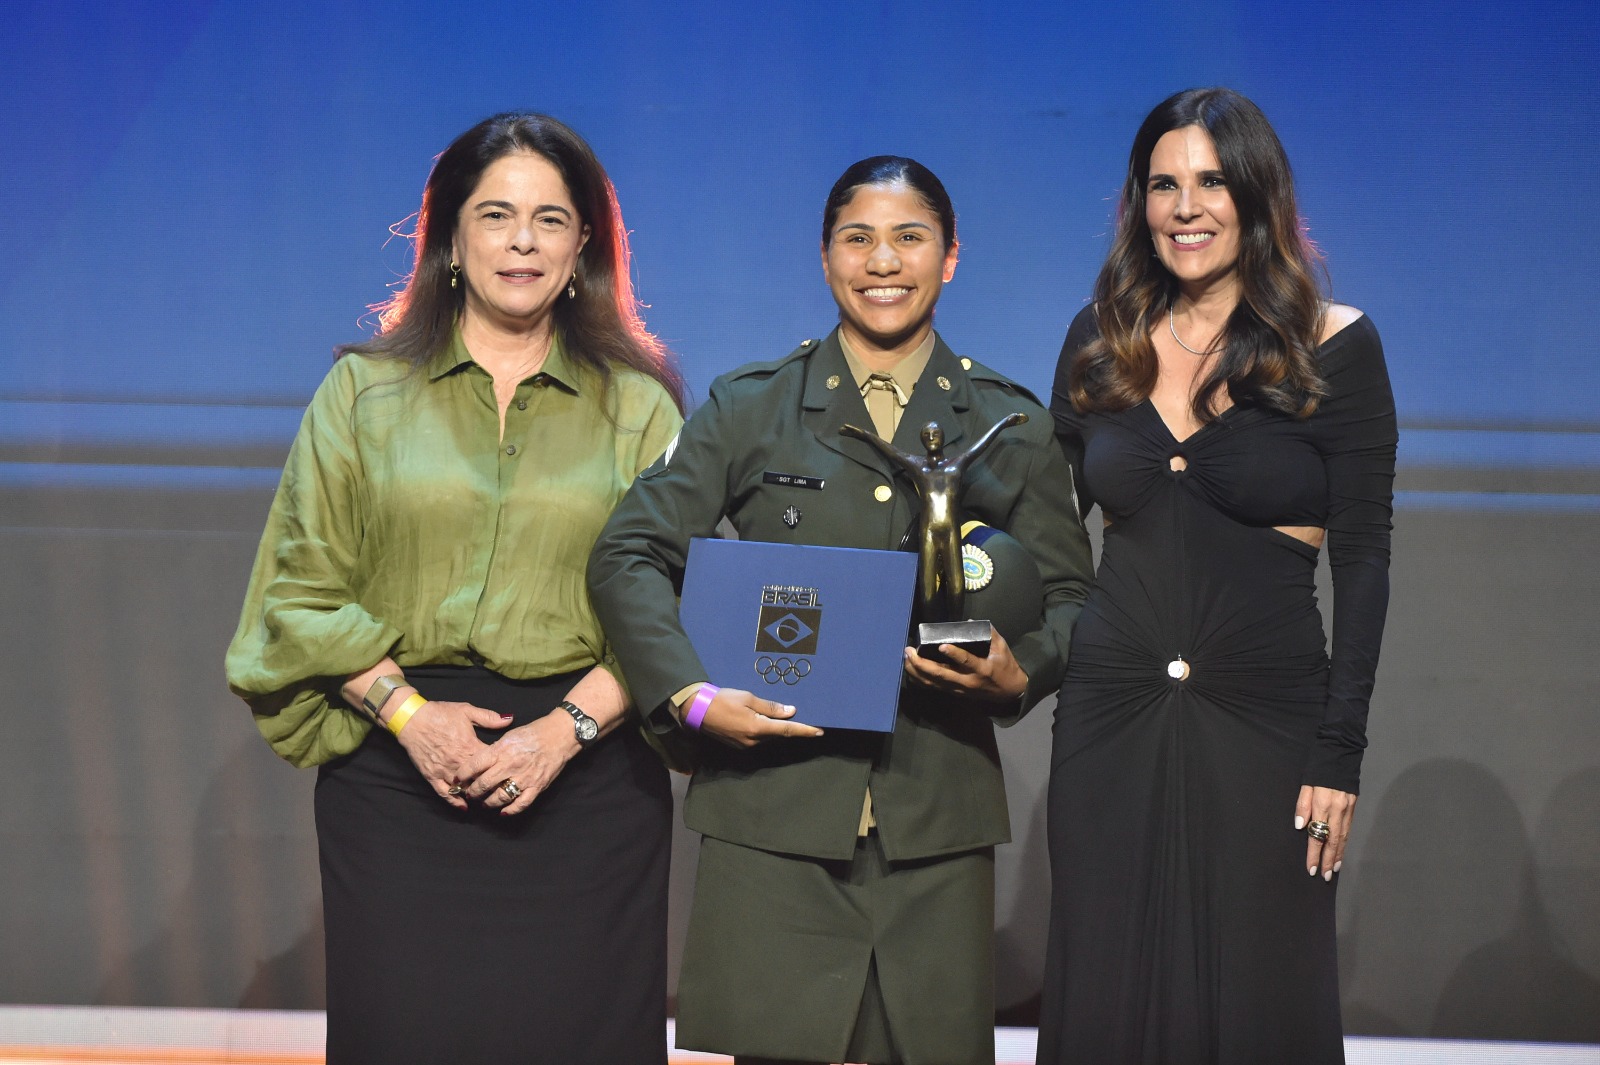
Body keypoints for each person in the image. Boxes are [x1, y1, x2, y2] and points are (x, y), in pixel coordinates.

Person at [588, 157, 1094, 1065]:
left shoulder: (1010, 425)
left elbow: (1070, 597)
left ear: (951, 256)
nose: (882, 262)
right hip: (772, 815)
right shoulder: (753, 405)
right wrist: (692, 698)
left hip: (934, 820)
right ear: (825, 257)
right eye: (858, 239)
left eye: (910, 238)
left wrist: (1023, 673)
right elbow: (628, 553)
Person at [224, 112, 685, 1065]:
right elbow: (299, 590)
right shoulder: (362, 393)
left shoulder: (640, 407)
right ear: (450, 238)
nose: (523, 242)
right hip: (399, 782)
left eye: (550, 219)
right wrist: (411, 717)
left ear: (583, 246)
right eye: (496, 215)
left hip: (587, 783)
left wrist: (562, 733)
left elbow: (673, 604)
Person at [1037, 87, 1397, 1064]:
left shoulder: (1335, 345)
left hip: (1268, 721)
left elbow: (1364, 558)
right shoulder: (1097, 337)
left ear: (1256, 195)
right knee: (1105, 992)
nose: (1185, 208)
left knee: (1256, 1002)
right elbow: (1044, 534)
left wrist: (1339, 750)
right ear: (1138, 203)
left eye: (1210, 182)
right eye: (1163, 185)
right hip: (1109, 714)